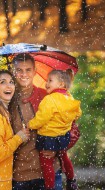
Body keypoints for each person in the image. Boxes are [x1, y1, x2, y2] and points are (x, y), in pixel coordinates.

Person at [9, 53, 63, 190]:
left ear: (34, 71)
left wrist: (56, 148)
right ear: (13, 72)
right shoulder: (7, 100)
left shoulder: (48, 97)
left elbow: (69, 127)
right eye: (19, 70)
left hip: (48, 172)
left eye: (28, 70)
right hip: (19, 176)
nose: (24, 74)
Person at [28, 69, 82, 190]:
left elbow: (41, 118)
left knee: (46, 163)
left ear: (61, 84)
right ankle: (71, 180)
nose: (47, 83)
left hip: (48, 137)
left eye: (50, 80)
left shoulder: (49, 99)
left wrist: (30, 125)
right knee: (64, 157)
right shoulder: (70, 97)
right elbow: (78, 113)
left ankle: (49, 187)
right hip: (63, 136)